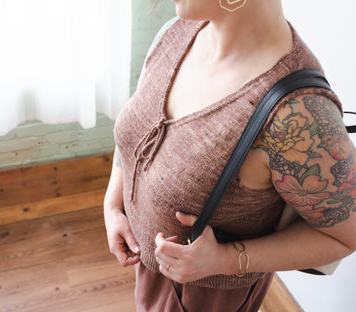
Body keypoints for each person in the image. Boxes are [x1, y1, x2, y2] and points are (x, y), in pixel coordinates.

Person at [104, 0, 356, 311]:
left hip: (203, 294)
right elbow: (136, 129)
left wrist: (224, 259)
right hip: (150, 269)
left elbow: (347, 236)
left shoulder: (297, 114)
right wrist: (114, 205)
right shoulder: (176, 33)